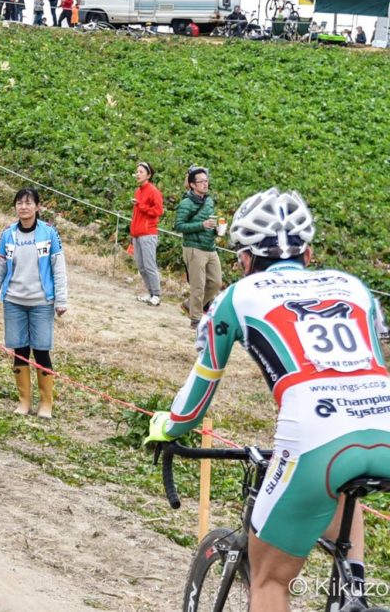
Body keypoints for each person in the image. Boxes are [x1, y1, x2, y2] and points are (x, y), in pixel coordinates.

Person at [144, 188, 390, 612]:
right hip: (382, 426)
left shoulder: (237, 297)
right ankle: (355, 595)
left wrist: (167, 427)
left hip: (316, 439)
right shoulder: (353, 287)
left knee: (270, 580)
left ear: (243, 259)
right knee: (344, 489)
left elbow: (197, 395)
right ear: (308, 253)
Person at [0, 188, 69, 419]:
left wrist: (61, 300)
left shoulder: (49, 234)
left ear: (37, 207)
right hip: (13, 301)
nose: (23, 207)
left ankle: (46, 403)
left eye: (28, 203)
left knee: (41, 350)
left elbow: (59, 268)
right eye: (19, 203)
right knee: (20, 350)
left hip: (41, 302)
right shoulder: (8, 235)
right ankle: (24, 401)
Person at [174, 166, 222, 328]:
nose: (205, 184)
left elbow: (209, 221)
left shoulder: (209, 201)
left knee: (216, 283)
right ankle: (195, 319)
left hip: (210, 247)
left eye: (206, 181)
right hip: (194, 247)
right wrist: (201, 225)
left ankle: (189, 305)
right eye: (201, 181)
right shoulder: (186, 203)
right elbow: (179, 226)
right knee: (198, 285)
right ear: (192, 185)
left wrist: (217, 229)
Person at [130, 161, 164, 306]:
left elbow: (158, 211)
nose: (137, 174)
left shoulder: (153, 191)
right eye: (137, 171)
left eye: (141, 172)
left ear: (148, 175)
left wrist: (141, 206)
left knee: (150, 265)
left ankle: (156, 294)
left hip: (148, 233)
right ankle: (150, 293)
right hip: (137, 233)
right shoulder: (138, 191)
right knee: (141, 266)